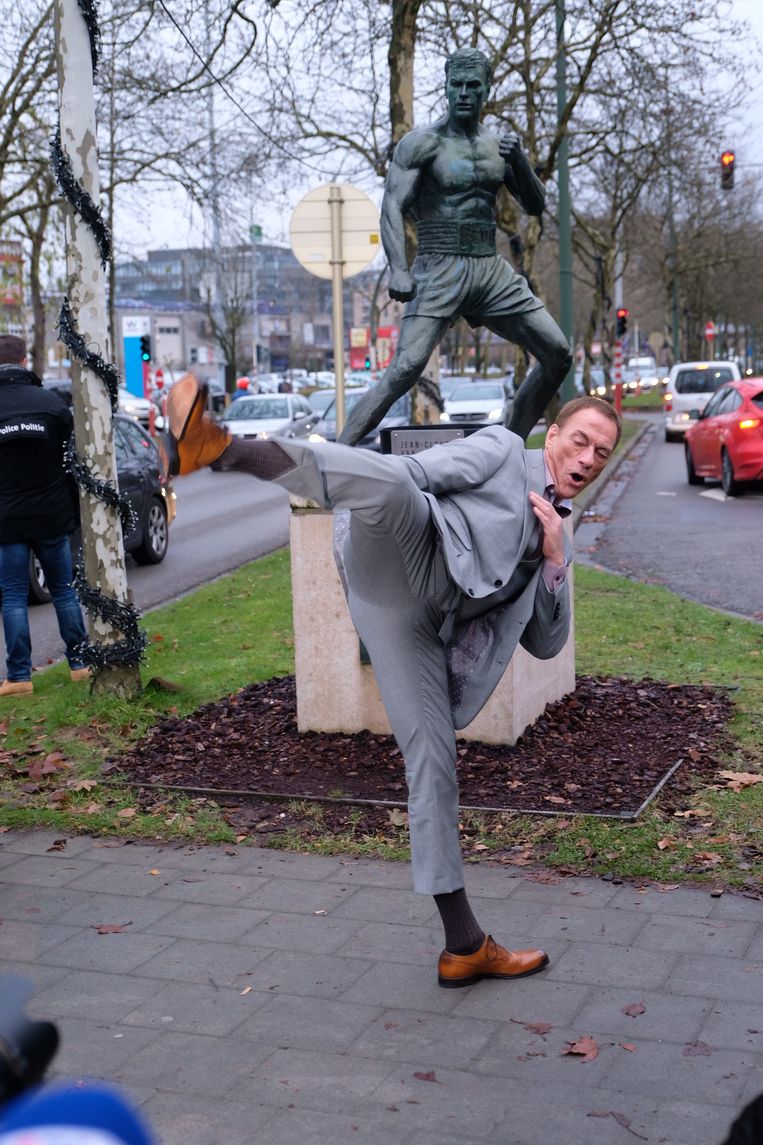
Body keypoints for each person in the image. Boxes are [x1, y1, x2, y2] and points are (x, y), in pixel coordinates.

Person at [163, 375, 620, 987]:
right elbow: (423, 474)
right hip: (408, 547)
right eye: (581, 442)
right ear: (554, 434)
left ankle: (465, 946)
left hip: (415, 627)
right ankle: (221, 448)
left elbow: (545, 641)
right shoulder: (505, 450)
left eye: (602, 453)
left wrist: (557, 559)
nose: (587, 460)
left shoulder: (559, 529)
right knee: (386, 481)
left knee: (433, 762)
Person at [338, 47, 573, 448]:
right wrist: (398, 267)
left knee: (557, 353)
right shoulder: (422, 144)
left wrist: (520, 163)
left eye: (473, 86)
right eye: (456, 85)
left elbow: (535, 206)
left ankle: (508, 451)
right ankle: (338, 454)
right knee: (405, 368)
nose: (464, 93)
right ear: (446, 88)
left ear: (486, 91)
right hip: (438, 264)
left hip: (489, 267)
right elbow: (393, 204)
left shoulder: (499, 147)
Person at [0, 335, 89, 697]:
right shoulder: (51, 404)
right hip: (52, 513)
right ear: (24, 362)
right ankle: (81, 665)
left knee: (14, 596)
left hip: (7, 519)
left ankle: (20, 677)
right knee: (64, 591)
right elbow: (72, 461)